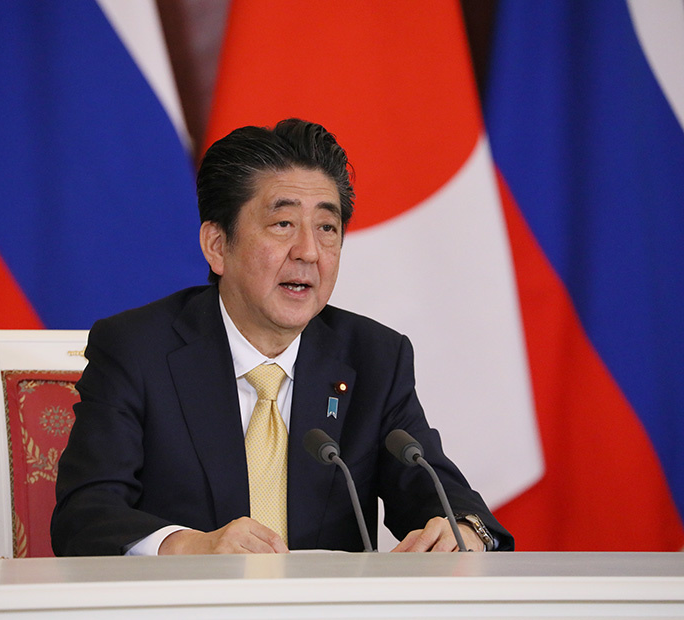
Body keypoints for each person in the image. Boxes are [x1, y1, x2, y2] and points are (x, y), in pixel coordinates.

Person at [51, 119, 514, 556]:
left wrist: (464, 531)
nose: (309, 252)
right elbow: (85, 516)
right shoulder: (136, 349)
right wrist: (189, 547)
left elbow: (440, 494)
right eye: (283, 224)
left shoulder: (374, 358)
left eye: (327, 229)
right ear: (217, 245)